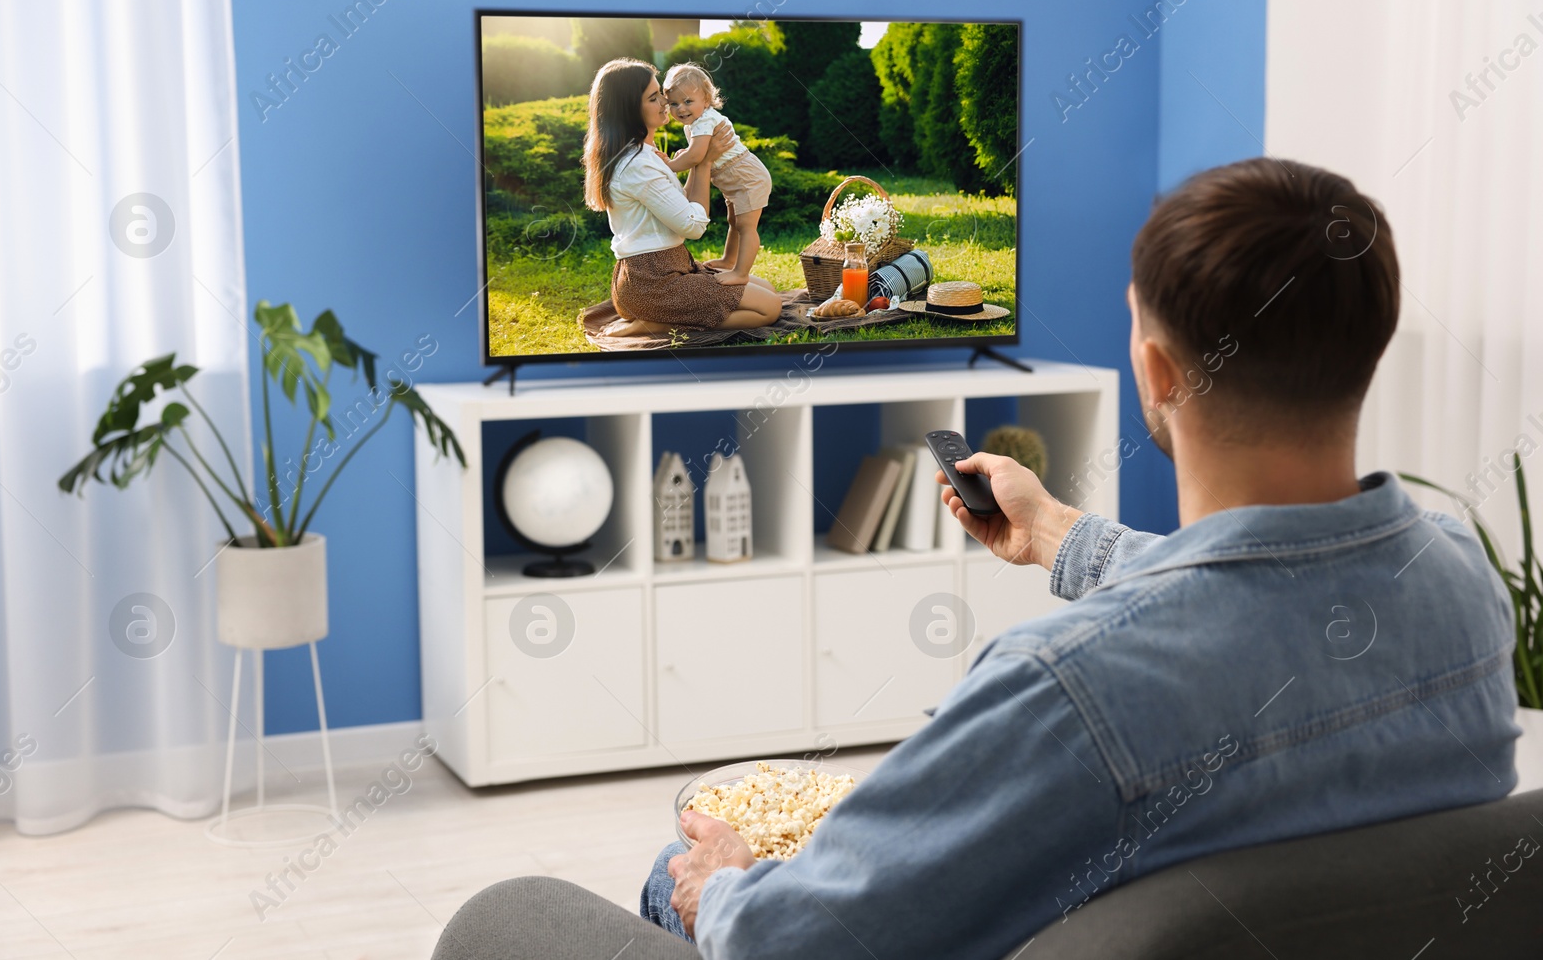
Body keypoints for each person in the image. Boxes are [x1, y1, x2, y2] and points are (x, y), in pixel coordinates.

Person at [629, 158, 1518, 956]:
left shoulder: (1065, 686)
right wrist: (1056, 530)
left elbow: (801, 943)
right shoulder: (1456, 579)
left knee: (677, 867)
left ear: (1161, 371)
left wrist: (724, 885)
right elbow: (1256, 596)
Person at [582, 58, 779, 339]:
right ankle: (653, 323)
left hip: (671, 268)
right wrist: (704, 161)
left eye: (660, 93)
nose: (666, 103)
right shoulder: (637, 164)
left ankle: (658, 314)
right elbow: (693, 226)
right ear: (630, 110)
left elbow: (681, 208)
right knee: (768, 309)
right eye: (654, 98)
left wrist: (703, 160)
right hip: (652, 282)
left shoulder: (646, 154)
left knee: (768, 290)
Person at [660, 62, 773, 287]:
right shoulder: (694, 123)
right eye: (674, 103)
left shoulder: (706, 120)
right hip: (734, 179)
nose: (681, 109)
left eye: (688, 101)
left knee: (746, 226)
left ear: (706, 99)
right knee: (734, 221)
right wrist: (690, 153)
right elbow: (699, 154)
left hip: (747, 177)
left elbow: (696, 157)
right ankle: (729, 260)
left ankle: (741, 272)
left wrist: (670, 165)